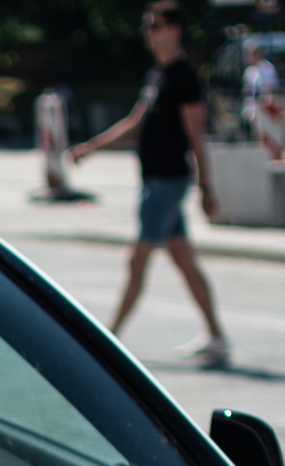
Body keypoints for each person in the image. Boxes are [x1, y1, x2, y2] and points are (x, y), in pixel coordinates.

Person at [70, 2, 226, 364]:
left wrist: (206, 188)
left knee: (136, 260)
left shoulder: (184, 76)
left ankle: (108, 341)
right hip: (154, 180)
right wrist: (92, 147)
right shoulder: (158, 74)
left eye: (152, 25)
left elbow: (195, 135)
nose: (146, 32)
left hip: (167, 181)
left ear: (174, 29)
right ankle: (216, 336)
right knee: (184, 261)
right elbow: (135, 123)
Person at [241, 43, 284, 159]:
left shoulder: (267, 69)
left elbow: (272, 89)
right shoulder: (249, 71)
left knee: (269, 137)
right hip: (254, 109)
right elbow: (248, 92)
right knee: (256, 137)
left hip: (266, 108)